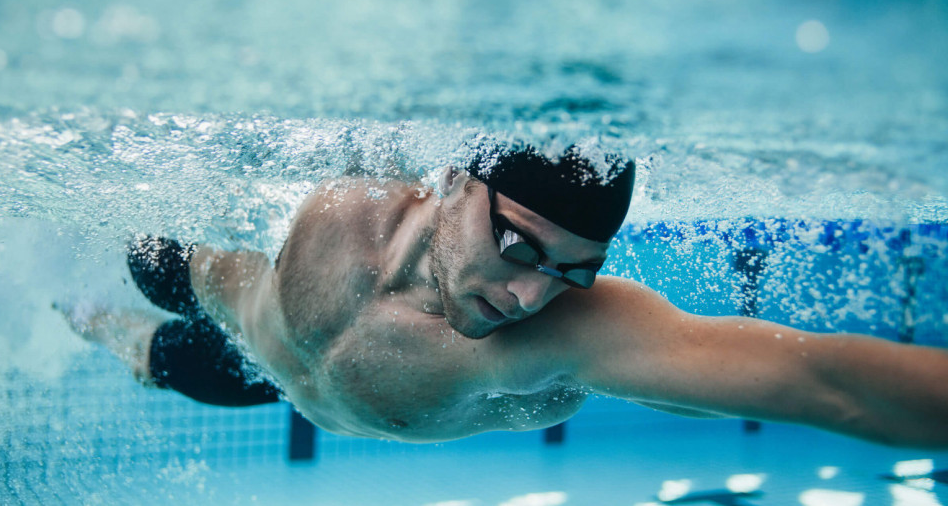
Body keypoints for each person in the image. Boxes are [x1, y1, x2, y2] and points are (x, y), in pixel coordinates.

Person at [65, 143, 948, 448]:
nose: (531, 295)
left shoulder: (561, 339)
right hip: (225, 297)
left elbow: (824, 383)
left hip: (257, 376)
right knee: (119, 252)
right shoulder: (350, 191)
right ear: (451, 182)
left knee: (141, 351)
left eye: (572, 270)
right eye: (520, 244)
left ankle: (95, 328)